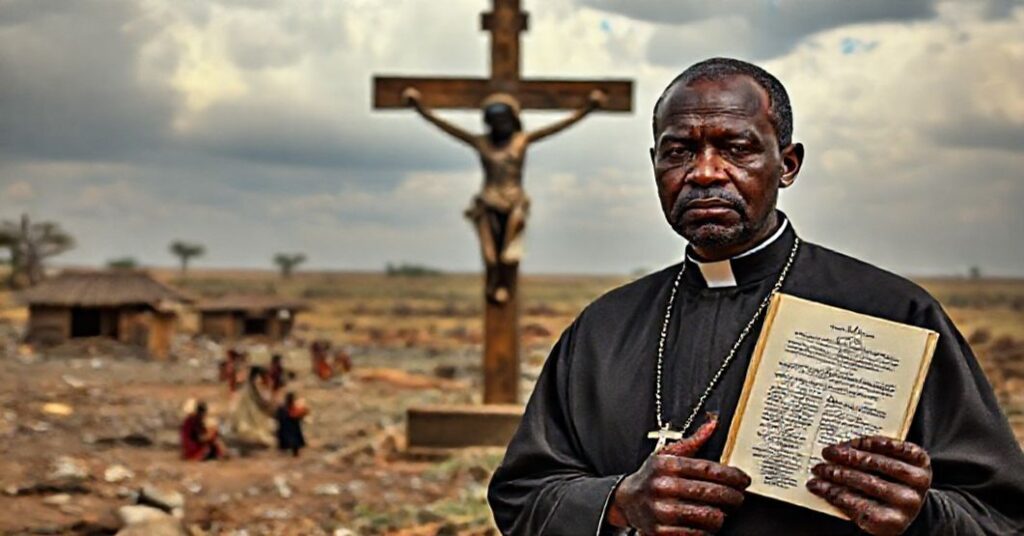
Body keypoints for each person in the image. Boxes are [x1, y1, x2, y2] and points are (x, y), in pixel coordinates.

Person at [487, 58, 1024, 535]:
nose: (704, 172)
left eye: (736, 148)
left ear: (787, 164)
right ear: (655, 164)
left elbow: (1000, 515)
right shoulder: (604, 328)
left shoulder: (896, 315)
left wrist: (921, 517)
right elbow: (521, 495)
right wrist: (618, 502)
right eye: (679, 152)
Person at [403, 87, 607, 303]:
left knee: (510, 256)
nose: (499, 124)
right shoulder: (481, 142)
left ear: (512, 119)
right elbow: (447, 128)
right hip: (488, 203)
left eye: (503, 119)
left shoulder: (521, 141)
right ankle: (493, 289)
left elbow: (556, 128)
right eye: (494, 119)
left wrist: (587, 109)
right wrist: (419, 108)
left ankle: (506, 289)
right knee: (491, 259)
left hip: (514, 203)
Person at [226, 365, 276, 449]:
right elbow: (265, 403)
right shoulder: (253, 388)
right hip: (248, 421)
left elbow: (265, 405)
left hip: (255, 418)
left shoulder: (250, 388)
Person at [275, 392, 309, 457]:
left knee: (293, 441)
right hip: (289, 429)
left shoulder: (285, 408)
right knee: (291, 441)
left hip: (290, 429)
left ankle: (293, 452)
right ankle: (291, 452)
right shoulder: (284, 408)